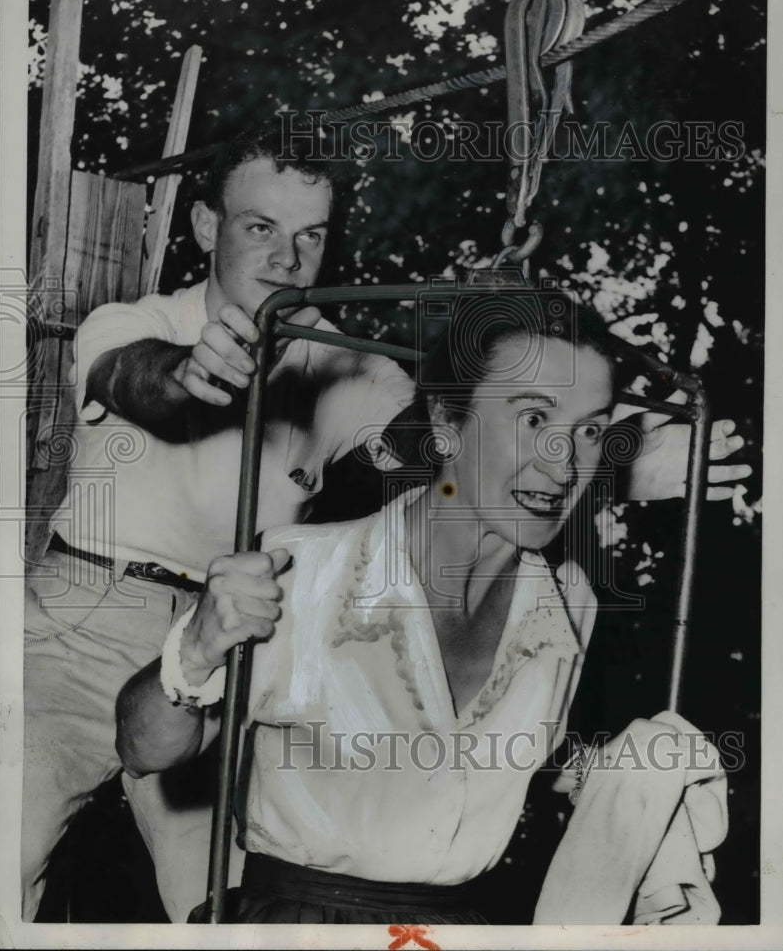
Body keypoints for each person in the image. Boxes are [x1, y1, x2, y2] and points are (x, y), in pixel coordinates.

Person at [116, 292, 729, 924]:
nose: (563, 462)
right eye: (533, 420)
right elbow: (142, 749)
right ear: (446, 423)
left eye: (591, 430)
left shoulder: (569, 603)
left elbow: (521, 762)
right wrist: (194, 651)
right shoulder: (305, 571)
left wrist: (639, 785)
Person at [22, 125, 416, 922]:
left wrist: (610, 462)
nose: (287, 260)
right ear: (206, 228)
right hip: (74, 632)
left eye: (311, 237)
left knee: (240, 908)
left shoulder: (360, 372)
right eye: (259, 227)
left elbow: (457, 468)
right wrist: (193, 372)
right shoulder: (134, 323)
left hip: (230, 661)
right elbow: (143, 383)